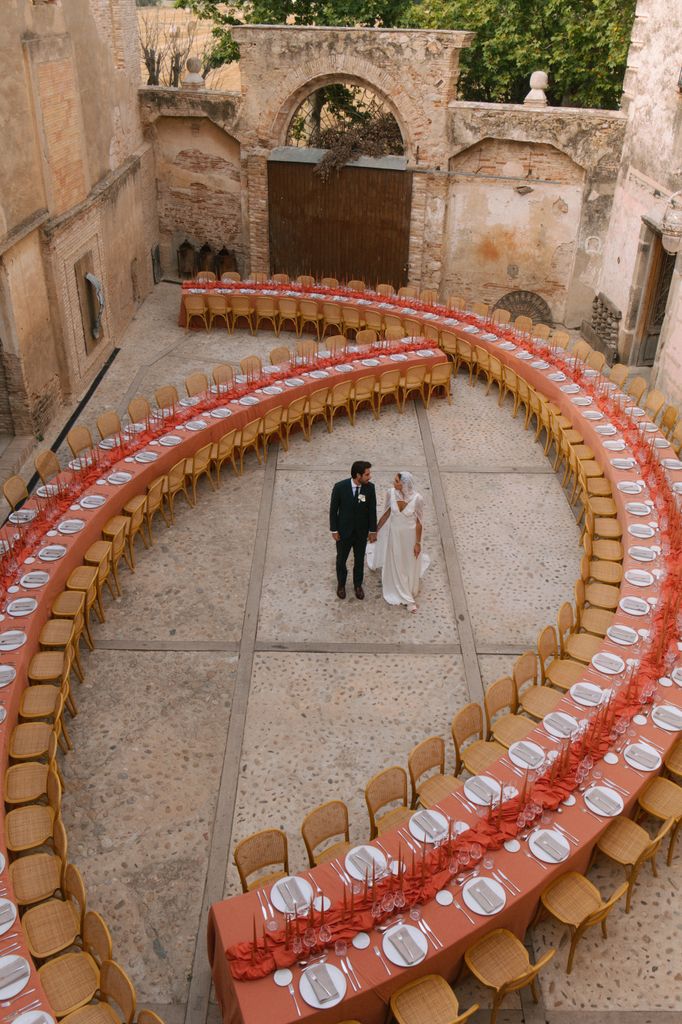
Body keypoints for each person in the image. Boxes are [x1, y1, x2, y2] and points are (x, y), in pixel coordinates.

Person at [368, 471, 429, 612]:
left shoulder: (418, 499)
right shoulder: (391, 493)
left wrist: (418, 543)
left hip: (409, 538)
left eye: (396, 481)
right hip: (394, 536)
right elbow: (386, 514)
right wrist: (375, 530)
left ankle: (406, 591)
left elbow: (419, 523)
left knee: (407, 563)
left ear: (404, 484)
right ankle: (408, 599)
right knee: (396, 561)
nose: (393, 482)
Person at [329, 460, 377, 600]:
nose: (370, 477)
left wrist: (372, 530)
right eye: (367, 474)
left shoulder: (370, 488)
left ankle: (358, 585)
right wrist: (334, 530)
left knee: (359, 560)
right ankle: (341, 584)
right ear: (358, 475)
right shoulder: (340, 487)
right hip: (344, 532)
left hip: (361, 533)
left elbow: (372, 510)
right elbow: (333, 510)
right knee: (341, 560)